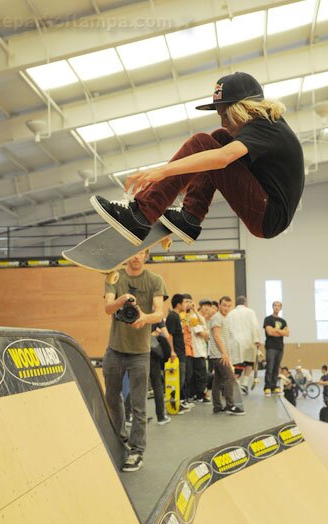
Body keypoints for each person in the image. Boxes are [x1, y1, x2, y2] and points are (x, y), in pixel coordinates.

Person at [90, 71, 304, 247]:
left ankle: (142, 215)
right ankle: (190, 217)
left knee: (203, 143)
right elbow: (216, 159)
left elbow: (223, 158)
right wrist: (187, 180)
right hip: (267, 208)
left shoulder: (266, 127)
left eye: (225, 115)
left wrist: (162, 171)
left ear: (243, 109)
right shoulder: (266, 125)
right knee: (219, 139)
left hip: (268, 215)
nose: (223, 122)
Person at [103, 249, 167, 472]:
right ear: (129, 254)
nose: (137, 257)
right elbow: (107, 308)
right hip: (115, 349)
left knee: (139, 405)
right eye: (134, 252)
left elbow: (159, 313)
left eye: (142, 253)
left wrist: (144, 317)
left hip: (141, 351)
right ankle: (120, 441)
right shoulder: (114, 276)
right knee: (112, 398)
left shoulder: (155, 280)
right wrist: (122, 300)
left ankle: (137, 451)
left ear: (146, 256)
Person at [210, 296, 245, 415]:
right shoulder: (217, 317)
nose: (226, 308)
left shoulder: (226, 318)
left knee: (217, 380)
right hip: (219, 354)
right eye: (224, 305)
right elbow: (216, 336)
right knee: (230, 378)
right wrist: (224, 353)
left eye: (228, 306)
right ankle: (230, 406)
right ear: (219, 305)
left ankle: (217, 407)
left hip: (221, 354)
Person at [227, 296, 260, 394]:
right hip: (248, 341)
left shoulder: (230, 314)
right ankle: (244, 383)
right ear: (245, 303)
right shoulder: (250, 312)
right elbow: (255, 326)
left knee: (237, 365)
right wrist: (257, 340)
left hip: (235, 342)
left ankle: (236, 383)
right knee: (249, 362)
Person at [165, 293, 191, 414]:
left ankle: (178, 403)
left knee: (181, 379)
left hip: (181, 352)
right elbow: (169, 335)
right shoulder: (172, 316)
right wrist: (172, 351)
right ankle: (173, 406)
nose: (186, 305)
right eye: (185, 302)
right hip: (176, 354)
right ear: (179, 304)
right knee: (176, 381)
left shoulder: (177, 316)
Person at [263, 301, 289, 396]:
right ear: (272, 307)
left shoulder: (283, 321)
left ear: (280, 308)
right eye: (275, 305)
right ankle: (267, 387)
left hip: (280, 347)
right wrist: (280, 331)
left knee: (276, 368)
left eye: (279, 306)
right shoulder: (268, 319)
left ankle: (274, 387)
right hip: (270, 347)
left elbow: (287, 333)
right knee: (269, 367)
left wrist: (275, 330)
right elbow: (269, 332)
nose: (277, 307)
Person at [150, 320, 171, 425]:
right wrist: (155, 334)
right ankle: (161, 417)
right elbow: (166, 334)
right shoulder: (156, 316)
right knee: (157, 385)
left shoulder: (136, 314)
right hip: (153, 356)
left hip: (138, 355)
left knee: (136, 386)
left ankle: (130, 416)